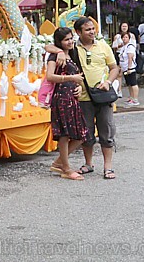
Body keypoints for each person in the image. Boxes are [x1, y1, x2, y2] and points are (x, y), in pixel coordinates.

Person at [47, 17, 120, 180]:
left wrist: (108, 82)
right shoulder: (74, 48)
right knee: (84, 135)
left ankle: (108, 167)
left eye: (93, 28)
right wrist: (58, 51)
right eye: (87, 30)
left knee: (106, 132)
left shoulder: (102, 46)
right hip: (82, 99)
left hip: (103, 96)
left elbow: (114, 68)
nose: (92, 32)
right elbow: (51, 46)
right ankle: (88, 164)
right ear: (78, 32)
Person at [46, 28, 88, 180]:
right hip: (61, 98)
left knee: (81, 133)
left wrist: (78, 87)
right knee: (64, 134)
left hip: (73, 97)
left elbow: (78, 78)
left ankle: (59, 163)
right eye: (66, 40)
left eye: (71, 38)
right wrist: (71, 79)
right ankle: (66, 168)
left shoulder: (73, 53)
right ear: (59, 42)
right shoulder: (55, 55)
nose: (70, 42)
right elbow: (49, 76)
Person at [119, 32, 139, 106]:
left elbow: (130, 58)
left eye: (126, 37)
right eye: (123, 37)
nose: (124, 39)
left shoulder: (130, 46)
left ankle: (135, 99)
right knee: (129, 84)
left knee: (133, 83)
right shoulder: (124, 47)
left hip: (130, 68)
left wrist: (129, 68)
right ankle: (131, 97)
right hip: (124, 68)